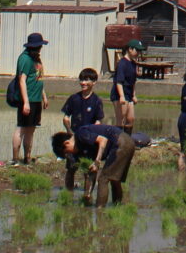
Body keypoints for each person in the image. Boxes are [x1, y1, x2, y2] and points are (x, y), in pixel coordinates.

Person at [51, 124, 135, 206]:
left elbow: (103, 140)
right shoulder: (80, 152)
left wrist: (97, 162)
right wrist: (88, 193)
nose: (69, 155)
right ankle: (117, 207)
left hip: (121, 143)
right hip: (126, 143)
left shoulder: (81, 134)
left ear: (67, 143)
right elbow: (91, 173)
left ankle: (100, 212)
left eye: (67, 153)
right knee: (114, 180)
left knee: (103, 179)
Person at [10, 32, 47, 165]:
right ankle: (15, 159)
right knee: (21, 128)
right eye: (38, 47)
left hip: (36, 99)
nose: (39, 49)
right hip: (27, 99)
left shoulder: (36, 59)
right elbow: (22, 80)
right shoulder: (25, 58)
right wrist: (25, 102)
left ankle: (27, 157)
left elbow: (38, 78)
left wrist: (44, 96)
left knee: (31, 129)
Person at [62, 68, 104, 135]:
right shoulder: (74, 98)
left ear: (94, 82)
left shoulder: (97, 101)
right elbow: (66, 117)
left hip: (90, 136)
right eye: (81, 80)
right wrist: (69, 130)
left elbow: (98, 121)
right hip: (75, 134)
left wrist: (92, 133)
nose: (83, 83)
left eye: (86, 80)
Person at [111, 41, 142, 133]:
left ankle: (127, 140)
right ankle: (118, 142)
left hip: (129, 92)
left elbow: (133, 81)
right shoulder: (122, 63)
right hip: (119, 92)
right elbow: (119, 82)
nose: (138, 53)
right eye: (137, 50)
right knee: (121, 118)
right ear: (130, 49)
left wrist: (134, 95)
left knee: (130, 119)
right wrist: (121, 96)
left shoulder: (133, 64)